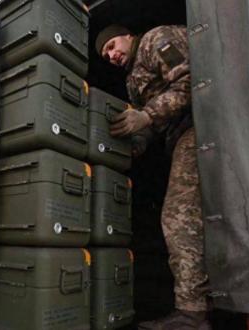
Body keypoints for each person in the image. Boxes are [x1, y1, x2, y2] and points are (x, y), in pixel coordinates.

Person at [96, 24, 210, 329]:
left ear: (128, 36)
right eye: (106, 54)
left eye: (112, 45)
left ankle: (192, 315)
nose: (111, 55)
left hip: (201, 124)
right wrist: (135, 144)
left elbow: (191, 82)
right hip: (179, 135)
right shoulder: (133, 81)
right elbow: (151, 126)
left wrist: (144, 116)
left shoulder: (154, 40)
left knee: (177, 217)